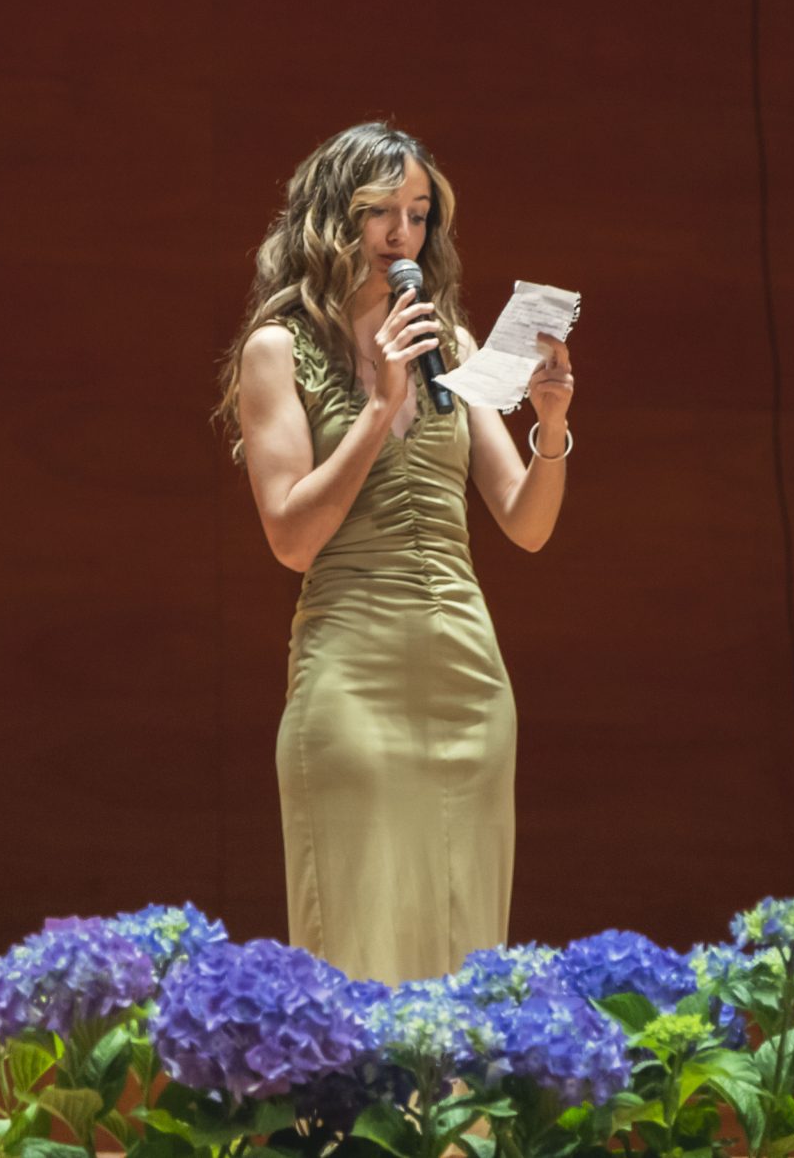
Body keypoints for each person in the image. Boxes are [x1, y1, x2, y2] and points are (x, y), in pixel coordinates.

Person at [215, 121, 574, 985]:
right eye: (382, 211)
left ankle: (461, 1089)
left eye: (418, 213)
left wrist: (553, 425)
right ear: (332, 217)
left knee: (466, 939)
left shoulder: (451, 344)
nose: (402, 233)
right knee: (357, 934)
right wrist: (379, 407)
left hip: (466, 673)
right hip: (352, 669)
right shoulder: (278, 350)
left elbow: (525, 523)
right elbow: (292, 539)